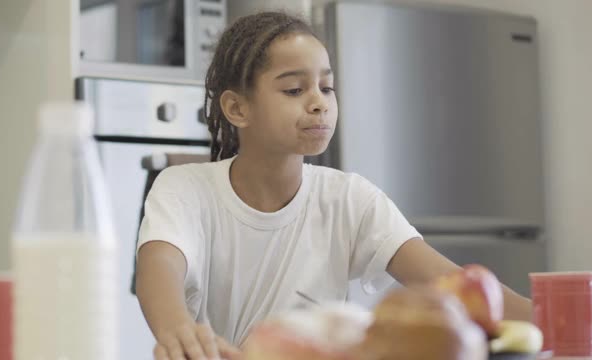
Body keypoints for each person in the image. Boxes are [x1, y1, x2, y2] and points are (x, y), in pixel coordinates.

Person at [135, 11, 533, 360]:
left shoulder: (351, 199)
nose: (319, 103)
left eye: (326, 87)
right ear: (237, 108)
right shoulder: (185, 187)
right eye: (294, 90)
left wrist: (556, 320)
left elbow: (452, 285)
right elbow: (160, 267)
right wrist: (178, 333)